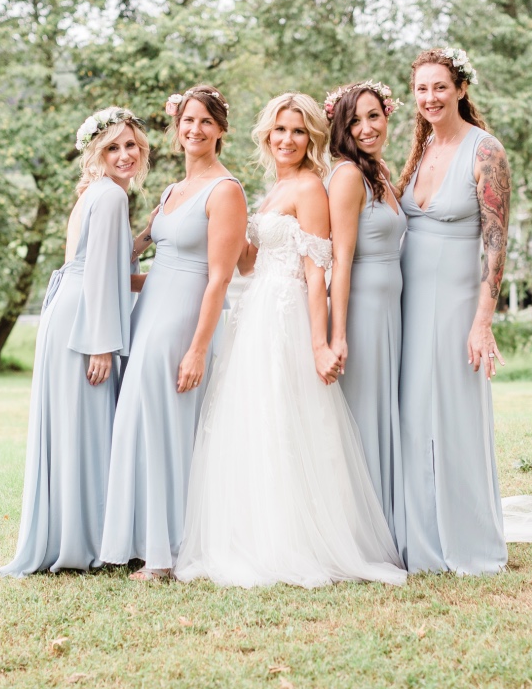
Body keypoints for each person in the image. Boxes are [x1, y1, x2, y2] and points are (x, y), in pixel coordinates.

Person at [175, 92, 406, 588]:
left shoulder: (310, 188)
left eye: (298, 131)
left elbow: (317, 269)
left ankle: (293, 544)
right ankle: (255, 536)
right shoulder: (271, 190)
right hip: (255, 310)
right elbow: (247, 263)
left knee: (286, 424)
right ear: (266, 136)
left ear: (312, 139)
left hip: (287, 316)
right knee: (254, 424)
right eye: (280, 130)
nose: (287, 139)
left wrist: (322, 343)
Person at [100, 86, 247, 581]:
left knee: (168, 431)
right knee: (141, 424)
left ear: (221, 130)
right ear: (176, 126)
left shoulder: (225, 191)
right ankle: (143, 540)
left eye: (206, 122)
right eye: (188, 120)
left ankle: (169, 554)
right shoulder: (170, 192)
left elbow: (220, 277)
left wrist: (198, 349)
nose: (195, 130)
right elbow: (151, 263)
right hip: (150, 315)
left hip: (185, 323)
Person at [0, 108, 149, 578]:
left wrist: (148, 241)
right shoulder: (108, 197)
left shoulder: (98, 193)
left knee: (76, 429)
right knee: (87, 429)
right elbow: (103, 276)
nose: (124, 155)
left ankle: (80, 535)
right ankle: (89, 543)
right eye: (113, 148)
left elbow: (105, 261)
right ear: (96, 154)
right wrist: (101, 344)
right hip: (86, 321)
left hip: (69, 312)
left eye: (131, 145)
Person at [395, 48, 511, 575]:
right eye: (421, 89)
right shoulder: (418, 151)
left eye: (440, 87)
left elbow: (496, 241)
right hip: (407, 300)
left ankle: (467, 537)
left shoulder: (484, 151)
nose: (430, 98)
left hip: (456, 302)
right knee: (413, 415)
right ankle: (419, 534)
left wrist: (482, 320)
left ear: (461, 89)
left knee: (454, 416)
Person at [322, 80, 407, 540]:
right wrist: (339, 335)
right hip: (363, 311)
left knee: (381, 409)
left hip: (388, 309)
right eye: (355, 119)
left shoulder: (377, 172)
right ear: (341, 126)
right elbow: (340, 257)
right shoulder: (348, 176)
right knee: (363, 414)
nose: (367, 126)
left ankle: (386, 517)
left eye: (374, 116)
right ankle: (360, 531)